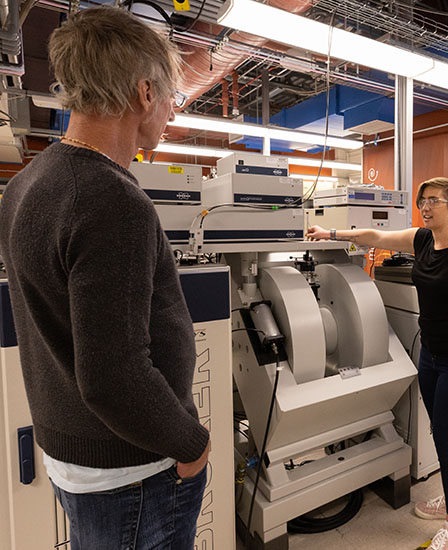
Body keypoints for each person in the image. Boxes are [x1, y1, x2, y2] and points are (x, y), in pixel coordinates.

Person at [0, 7, 210, 549]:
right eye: (170, 97)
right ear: (144, 93)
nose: (169, 111)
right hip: (134, 471)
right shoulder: (111, 200)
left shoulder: (27, 185)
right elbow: (114, 374)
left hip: (81, 456)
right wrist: (192, 443)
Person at [307, 177, 448, 550]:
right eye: (423, 201)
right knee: (440, 433)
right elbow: (375, 237)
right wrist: (331, 231)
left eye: (435, 201)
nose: (426, 207)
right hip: (431, 356)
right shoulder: (422, 240)